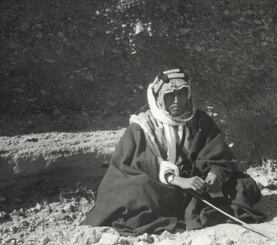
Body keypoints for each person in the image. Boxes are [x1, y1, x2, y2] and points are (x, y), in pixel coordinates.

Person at [82, 68, 265, 236]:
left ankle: (189, 206)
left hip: (196, 187)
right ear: (159, 98)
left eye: (181, 94)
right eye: (170, 95)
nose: (176, 101)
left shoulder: (199, 120)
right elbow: (136, 167)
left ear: (189, 94)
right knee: (137, 191)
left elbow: (218, 154)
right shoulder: (142, 126)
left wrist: (214, 173)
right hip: (160, 188)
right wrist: (178, 180)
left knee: (243, 185)